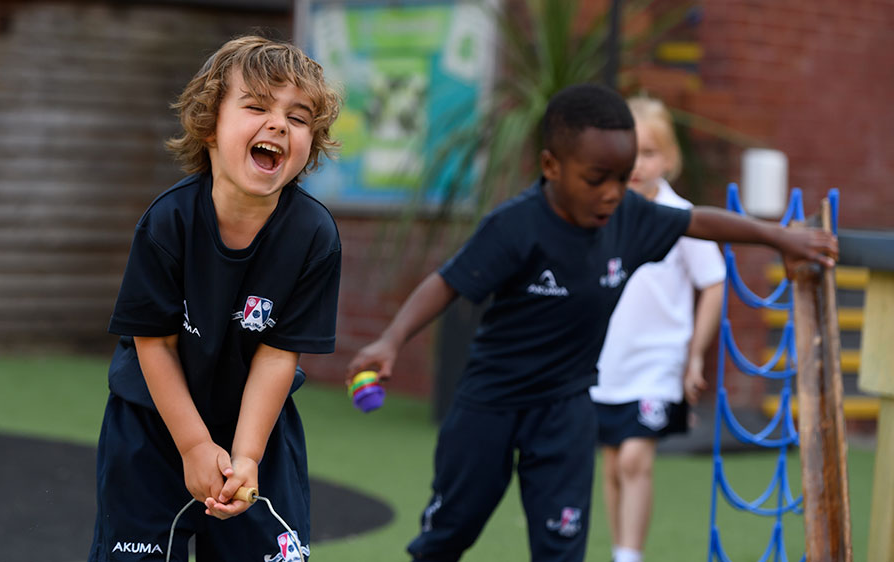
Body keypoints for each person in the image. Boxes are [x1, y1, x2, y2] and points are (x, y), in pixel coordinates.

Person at [346, 83, 836, 562]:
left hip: (566, 407)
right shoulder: (515, 226)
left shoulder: (631, 217)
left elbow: (699, 221)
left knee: (562, 547)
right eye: (596, 178)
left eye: (624, 178)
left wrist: (778, 238)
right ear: (551, 167)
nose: (612, 193)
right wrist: (390, 340)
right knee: (449, 533)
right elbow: (447, 282)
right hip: (490, 403)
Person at [88, 35, 342, 562]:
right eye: (256, 107)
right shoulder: (168, 223)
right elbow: (152, 344)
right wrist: (194, 446)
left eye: (297, 118)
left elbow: (277, 354)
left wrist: (245, 456)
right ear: (209, 127)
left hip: (258, 433)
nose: (278, 124)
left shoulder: (315, 236)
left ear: (309, 144)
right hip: (155, 429)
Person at [589, 95, 725, 562]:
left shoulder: (680, 217)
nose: (638, 165)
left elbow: (714, 282)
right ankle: (618, 549)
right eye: (631, 153)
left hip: (658, 361)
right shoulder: (606, 212)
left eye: (649, 153)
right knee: (610, 462)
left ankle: (631, 555)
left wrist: (694, 354)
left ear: (669, 158)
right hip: (607, 360)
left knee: (634, 458)